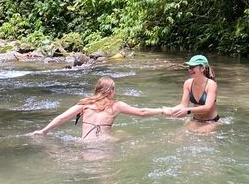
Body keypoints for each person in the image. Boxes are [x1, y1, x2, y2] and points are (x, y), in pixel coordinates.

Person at [29, 76, 171, 140]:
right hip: (104, 145)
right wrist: (163, 110)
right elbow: (142, 112)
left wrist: (43, 131)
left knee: (120, 133)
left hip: (84, 144)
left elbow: (62, 118)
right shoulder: (116, 105)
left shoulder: (84, 104)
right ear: (110, 92)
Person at [170, 54, 219, 125]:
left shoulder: (211, 84)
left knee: (199, 134)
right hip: (195, 120)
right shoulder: (188, 83)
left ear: (202, 68)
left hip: (211, 121)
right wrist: (171, 110)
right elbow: (183, 105)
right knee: (178, 135)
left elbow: (207, 107)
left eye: (192, 67)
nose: (190, 69)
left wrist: (188, 110)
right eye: (189, 67)